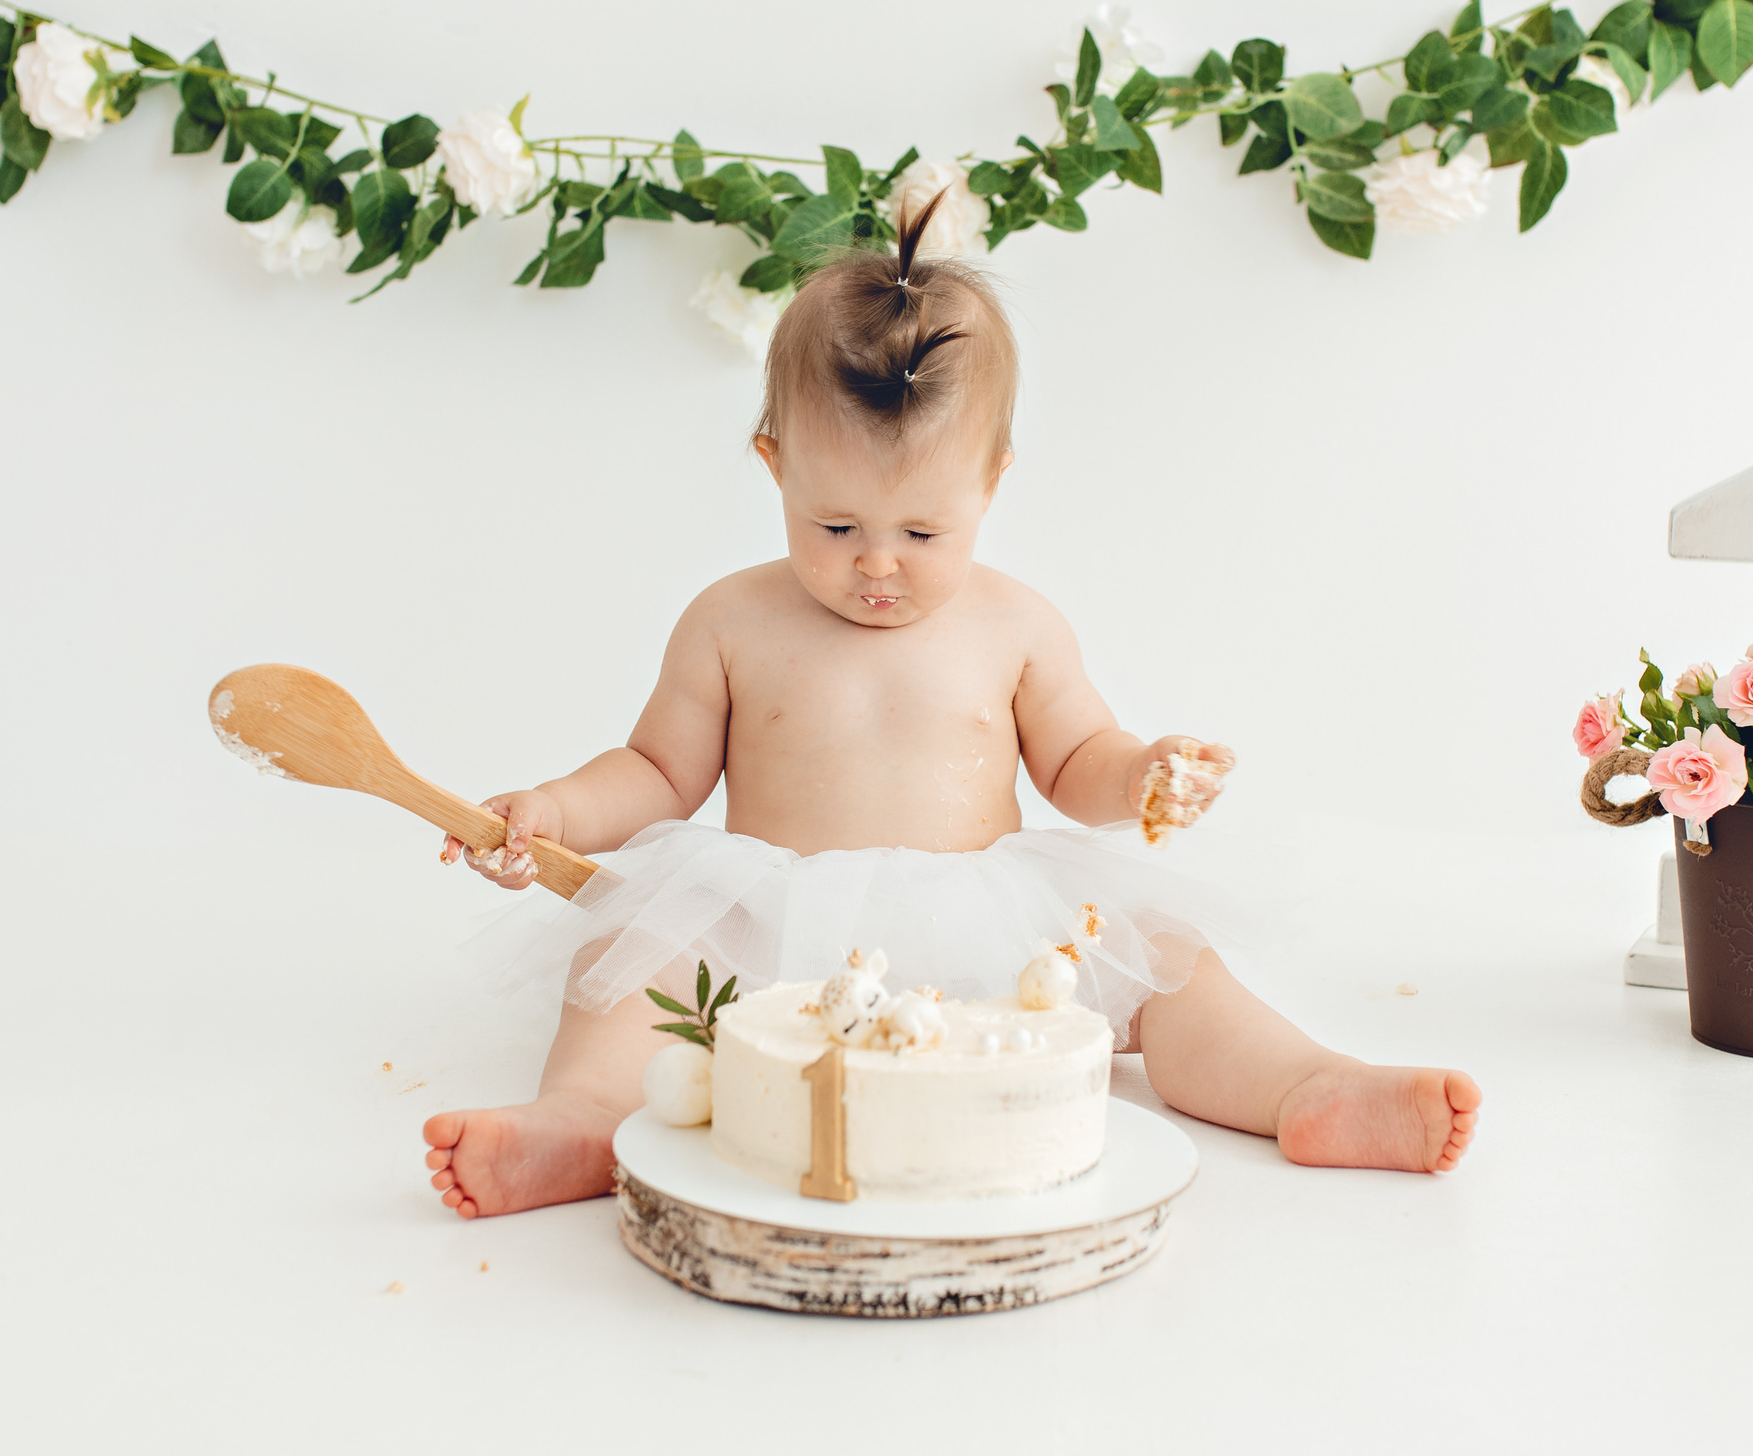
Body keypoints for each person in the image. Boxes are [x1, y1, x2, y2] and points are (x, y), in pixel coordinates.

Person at [422, 198, 1479, 1217]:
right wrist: (556, 809)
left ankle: (1307, 1085)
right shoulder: (730, 620)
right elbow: (658, 772)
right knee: (631, 967)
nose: (877, 564)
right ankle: (580, 1121)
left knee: (1167, 961)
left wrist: (1143, 773)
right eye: (834, 526)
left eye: (922, 533)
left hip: (991, 930)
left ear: (992, 480)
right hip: (771, 927)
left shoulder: (1016, 625)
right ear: (773, 465)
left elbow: (1078, 761)